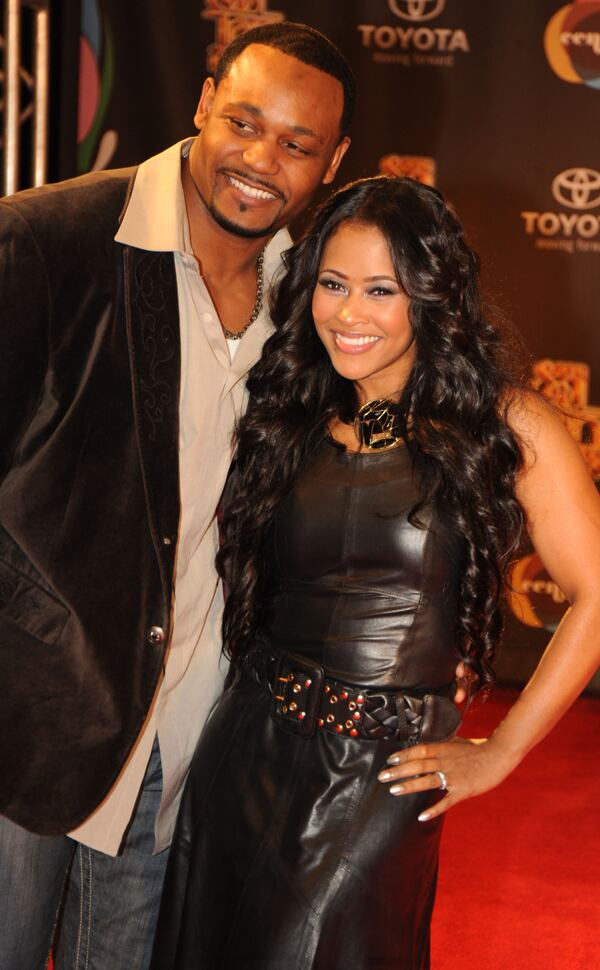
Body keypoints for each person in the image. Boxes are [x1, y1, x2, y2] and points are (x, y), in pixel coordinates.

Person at [150, 175, 600, 970]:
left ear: (431, 296)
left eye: (380, 290)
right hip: (244, 749)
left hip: (378, 777)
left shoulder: (507, 424)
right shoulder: (291, 408)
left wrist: (501, 752)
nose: (347, 313)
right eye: (331, 284)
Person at [0, 22, 356, 970]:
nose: (260, 161)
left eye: (298, 144)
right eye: (244, 121)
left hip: (185, 740)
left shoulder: (310, 306)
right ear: (202, 104)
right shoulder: (51, 238)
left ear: (335, 159)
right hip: (26, 726)